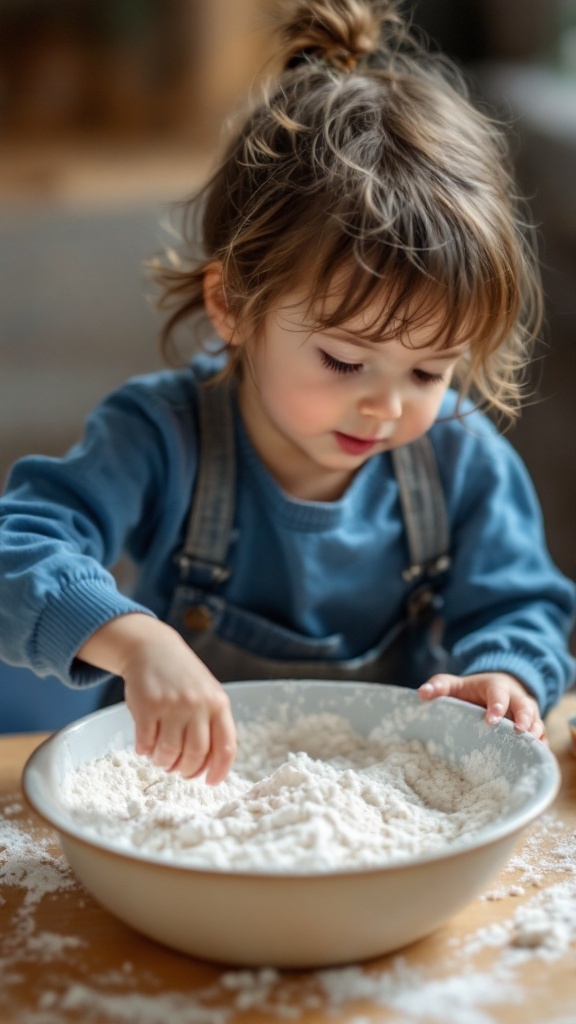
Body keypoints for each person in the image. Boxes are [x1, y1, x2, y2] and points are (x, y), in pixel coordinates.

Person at [0, 0, 574, 785]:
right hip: (186, 789)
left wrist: (506, 676)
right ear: (232, 305)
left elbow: (521, 608)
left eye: (429, 371)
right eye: (344, 361)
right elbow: (18, 551)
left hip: (389, 798)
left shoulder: (462, 461)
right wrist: (139, 642)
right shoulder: (160, 434)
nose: (386, 405)